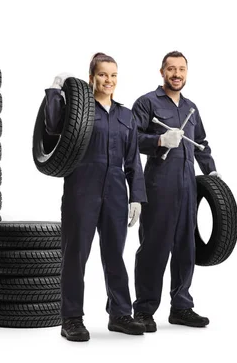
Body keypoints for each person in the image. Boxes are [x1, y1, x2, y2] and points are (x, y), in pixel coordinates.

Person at [44, 52, 147, 342]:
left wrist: (136, 196)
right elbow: (52, 128)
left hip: (115, 190)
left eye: (113, 75)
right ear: (91, 77)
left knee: (115, 254)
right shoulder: (81, 110)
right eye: (103, 74)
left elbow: (133, 161)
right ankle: (72, 319)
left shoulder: (126, 116)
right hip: (82, 188)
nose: (109, 80)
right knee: (76, 255)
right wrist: (55, 91)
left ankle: (120, 314)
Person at [131, 51, 222, 332]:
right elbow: (130, 139)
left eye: (181, 69)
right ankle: (144, 310)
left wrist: (211, 171)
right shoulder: (147, 103)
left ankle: (181, 307)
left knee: (186, 247)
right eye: (171, 69)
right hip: (158, 187)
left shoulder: (191, 107)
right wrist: (159, 139)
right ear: (162, 72)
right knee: (154, 248)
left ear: (186, 73)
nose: (177, 74)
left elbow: (202, 143)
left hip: (188, 187)